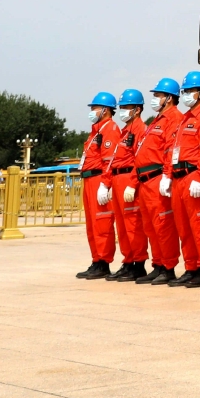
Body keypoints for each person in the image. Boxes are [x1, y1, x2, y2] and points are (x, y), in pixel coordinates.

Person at [133, 77, 184, 285]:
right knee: (150, 226)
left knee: (163, 225)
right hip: (145, 180)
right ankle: (158, 263)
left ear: (169, 98)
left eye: (158, 96)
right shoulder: (157, 120)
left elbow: (171, 148)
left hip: (157, 177)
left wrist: (167, 175)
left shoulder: (174, 118)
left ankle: (169, 266)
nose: (155, 99)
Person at [168, 71, 200, 286]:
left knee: (199, 225)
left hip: (193, 176)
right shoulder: (186, 118)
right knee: (183, 226)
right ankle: (191, 266)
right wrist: (168, 175)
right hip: (178, 177)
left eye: (190, 91)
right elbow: (175, 149)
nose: (186, 95)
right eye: (184, 91)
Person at [76, 91, 122, 279]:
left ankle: (103, 262)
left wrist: (105, 184)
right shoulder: (96, 131)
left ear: (105, 110)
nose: (92, 111)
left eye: (94, 108)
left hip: (98, 180)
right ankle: (96, 259)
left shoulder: (110, 129)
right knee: (92, 224)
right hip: (89, 179)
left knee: (102, 222)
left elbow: (109, 161)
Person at [106, 90, 148, 281]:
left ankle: (138, 264)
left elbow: (138, 160)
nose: (122, 111)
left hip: (128, 179)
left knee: (133, 224)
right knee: (122, 226)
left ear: (137, 110)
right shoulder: (125, 132)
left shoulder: (140, 130)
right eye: (121, 107)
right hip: (117, 180)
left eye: (126, 108)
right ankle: (128, 260)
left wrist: (132, 184)